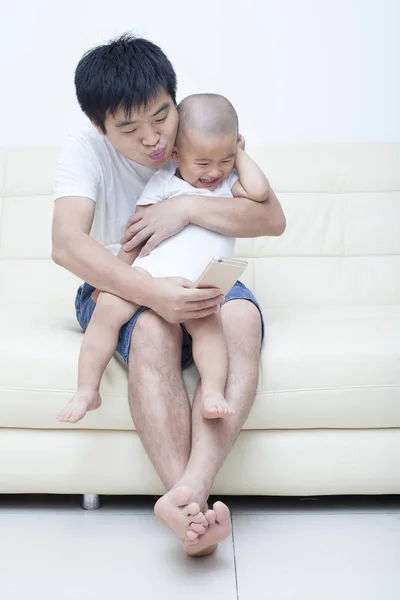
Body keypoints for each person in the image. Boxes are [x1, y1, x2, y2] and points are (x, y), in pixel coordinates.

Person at [52, 34, 286, 558]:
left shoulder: (202, 130)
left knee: (242, 320)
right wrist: (154, 293)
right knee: (156, 330)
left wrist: (185, 210)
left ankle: (187, 498)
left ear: (173, 101)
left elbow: (271, 218)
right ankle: (194, 518)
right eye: (130, 129)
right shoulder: (82, 148)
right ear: (100, 126)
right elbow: (67, 245)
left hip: (201, 269)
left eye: (162, 118)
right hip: (123, 276)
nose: (155, 140)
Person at [57, 93, 269, 426]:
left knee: (209, 329)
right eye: (202, 163)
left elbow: (259, 192)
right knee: (107, 309)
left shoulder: (230, 184)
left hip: (201, 280)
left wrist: (238, 155)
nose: (213, 171)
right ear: (176, 154)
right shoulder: (165, 183)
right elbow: (134, 233)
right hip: (150, 273)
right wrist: (109, 281)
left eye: (224, 159)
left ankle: (213, 391)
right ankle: (87, 389)